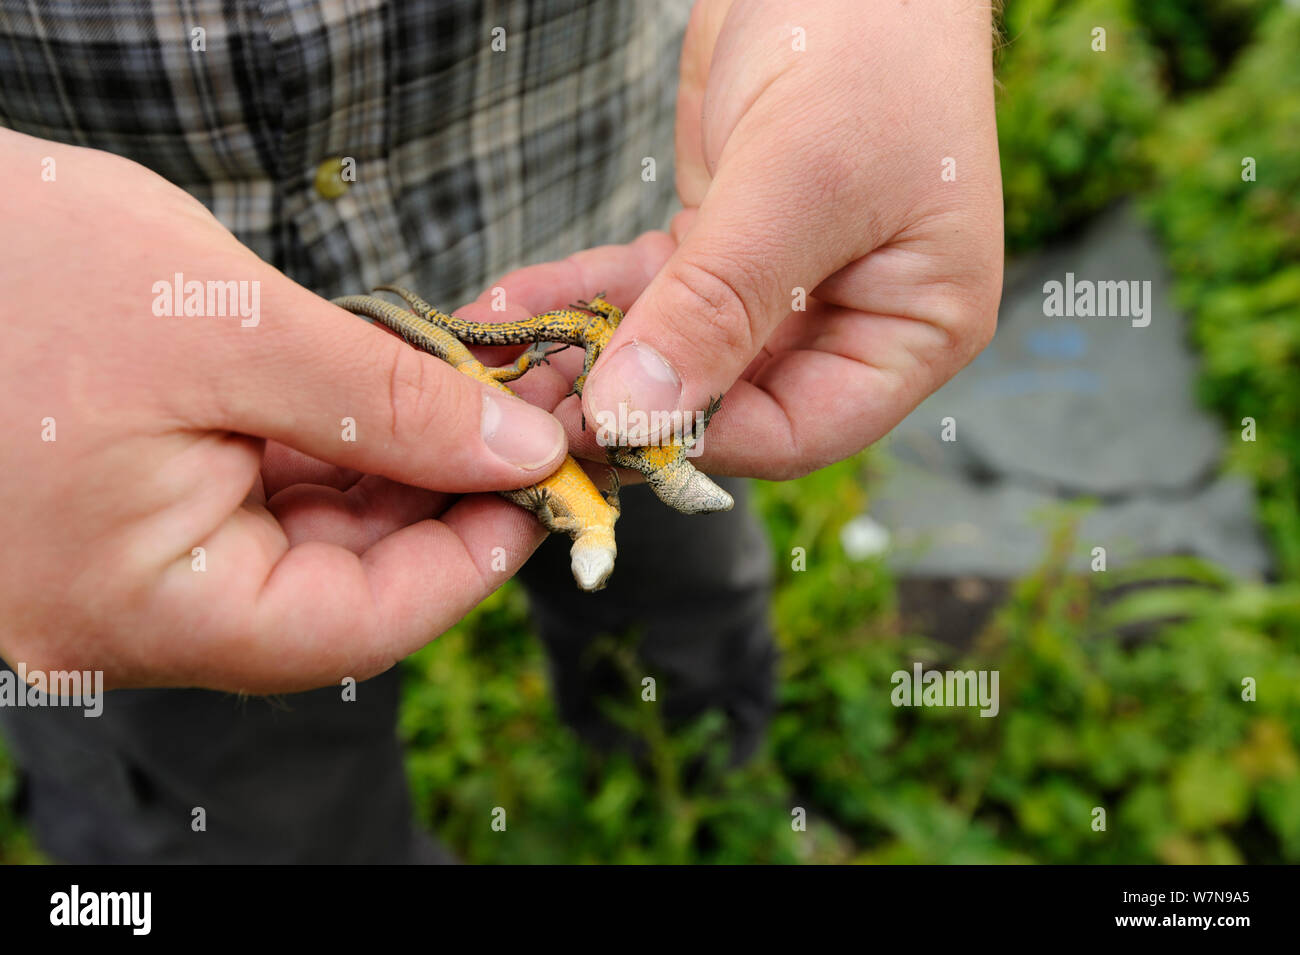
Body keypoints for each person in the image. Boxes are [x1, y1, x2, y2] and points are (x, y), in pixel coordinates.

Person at [0, 0, 1002, 862]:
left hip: (617, 241)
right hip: (125, 440)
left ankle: (709, 785)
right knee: (240, 802)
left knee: (687, 603)